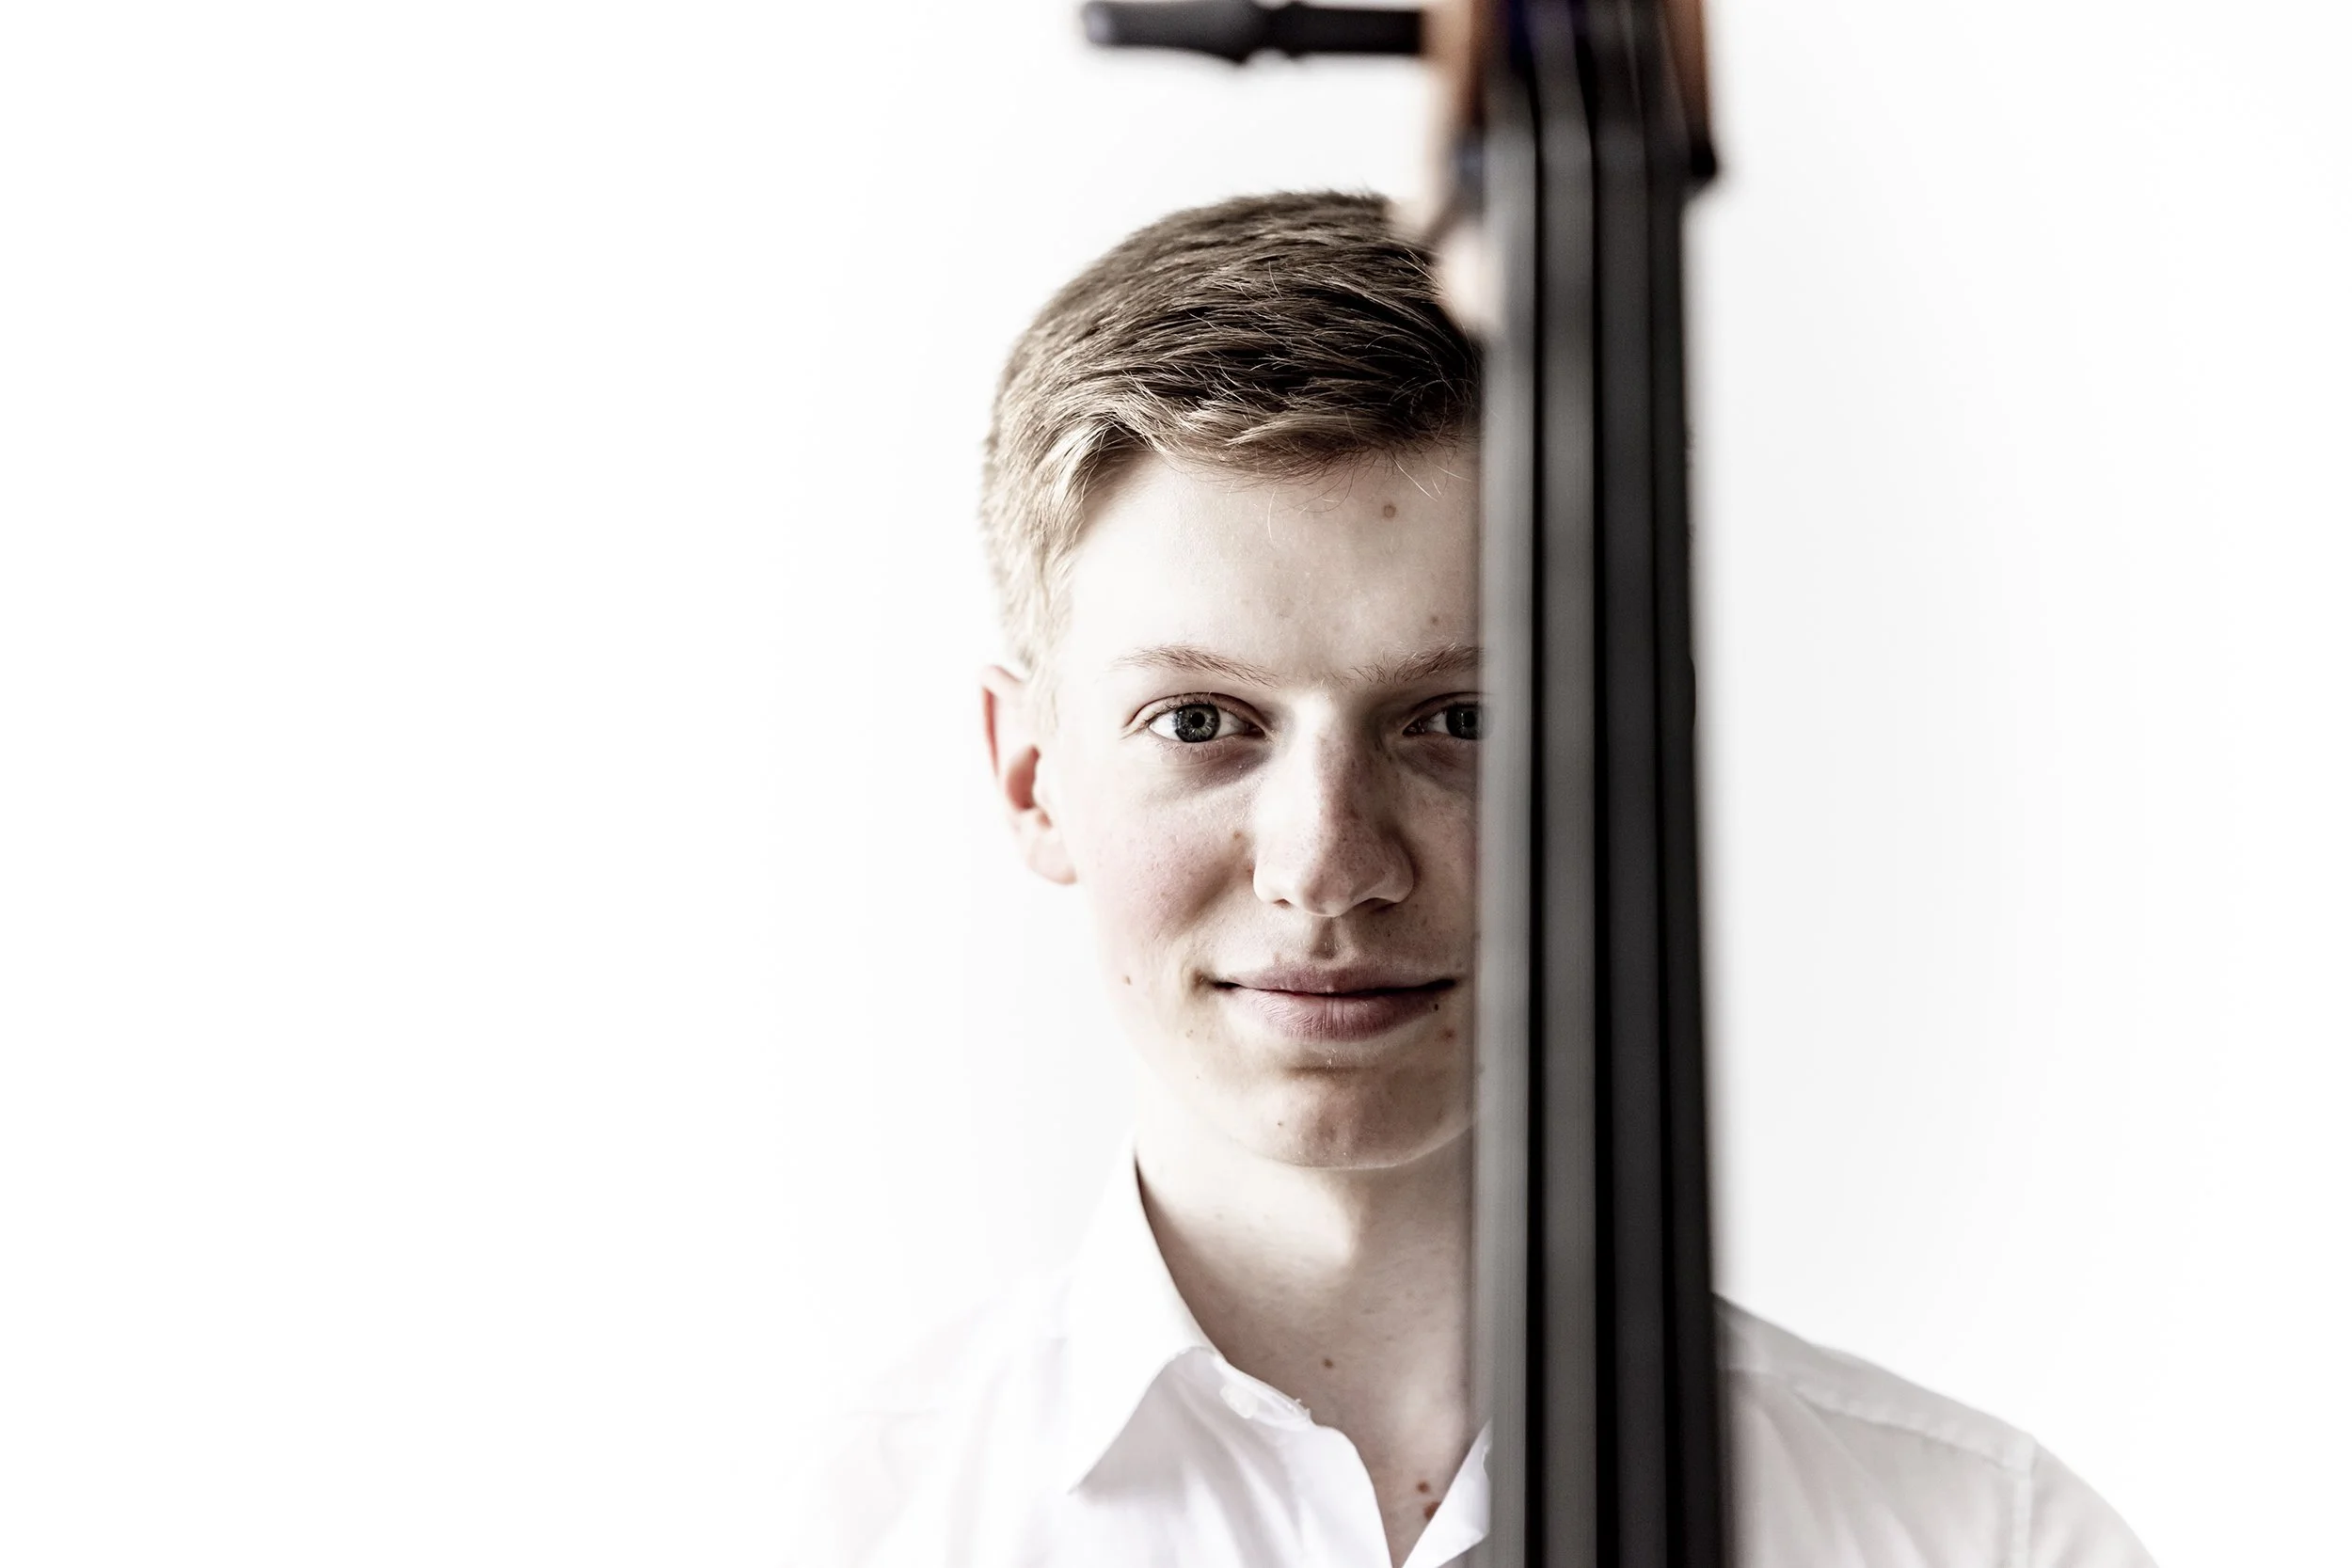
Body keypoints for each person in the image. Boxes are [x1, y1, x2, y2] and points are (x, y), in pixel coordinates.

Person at [795, 192, 2155, 1568]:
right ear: (1032, 775)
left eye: (1462, 719)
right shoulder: (824, 1533)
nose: (1328, 865)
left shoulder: (1988, 1537)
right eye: (1201, 721)